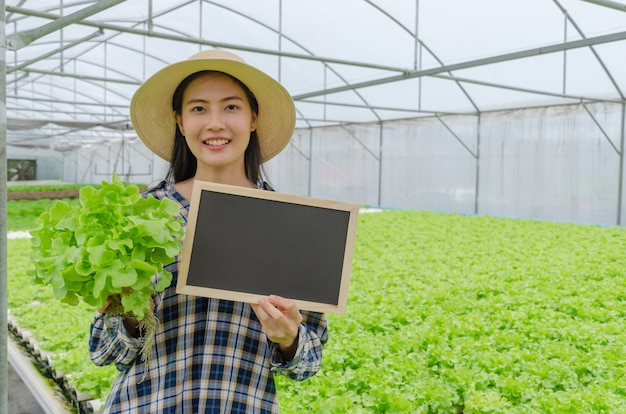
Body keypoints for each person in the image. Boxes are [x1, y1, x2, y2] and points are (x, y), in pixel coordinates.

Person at [89, 49, 329, 413]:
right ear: (180, 121)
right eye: (199, 108)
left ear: (253, 118)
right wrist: (132, 315)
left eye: (231, 107)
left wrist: (289, 339)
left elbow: (308, 363)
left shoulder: (288, 223)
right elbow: (105, 352)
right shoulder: (141, 216)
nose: (215, 123)